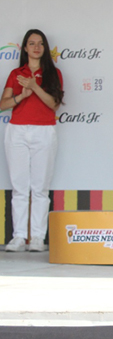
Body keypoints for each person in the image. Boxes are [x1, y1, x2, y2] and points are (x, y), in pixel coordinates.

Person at [1, 30, 64, 252]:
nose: (36, 47)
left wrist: (34, 86)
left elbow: (54, 104)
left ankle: (37, 237)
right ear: (25, 48)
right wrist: (22, 95)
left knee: (40, 188)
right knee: (20, 188)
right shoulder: (15, 73)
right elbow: (3, 104)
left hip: (44, 131)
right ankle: (18, 236)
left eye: (40, 43)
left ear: (45, 48)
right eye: (31, 43)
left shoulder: (53, 74)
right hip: (17, 130)